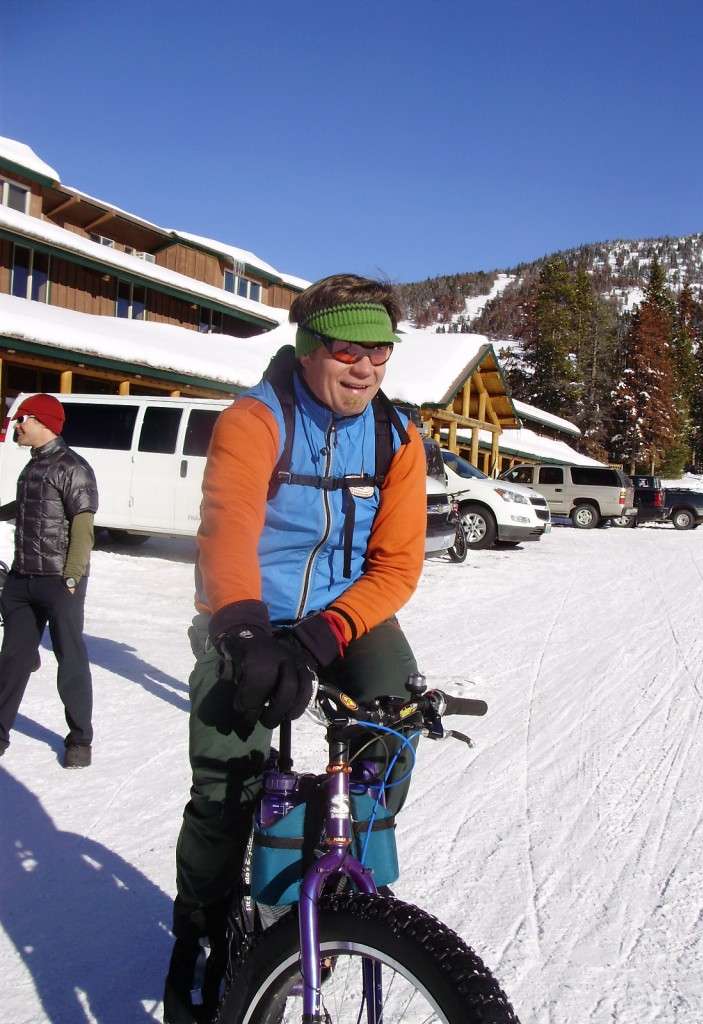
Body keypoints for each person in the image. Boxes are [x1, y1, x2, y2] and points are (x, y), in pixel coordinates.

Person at [163, 274, 427, 1024]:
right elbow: (227, 530)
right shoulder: (257, 419)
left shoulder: (398, 436)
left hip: (346, 617)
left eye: (380, 352)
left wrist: (321, 636)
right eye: (348, 349)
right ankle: (203, 925)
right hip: (246, 610)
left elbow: (398, 566)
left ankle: (330, 888)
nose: (366, 367)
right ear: (309, 348)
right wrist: (249, 634)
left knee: (395, 724)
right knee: (225, 782)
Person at [0, 393, 99, 768]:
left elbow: (83, 525)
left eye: (22, 418)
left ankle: (80, 738)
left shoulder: (73, 467)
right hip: (22, 578)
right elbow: (29, 507)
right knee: (12, 658)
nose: (17, 424)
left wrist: (72, 577)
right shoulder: (33, 466)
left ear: (43, 421)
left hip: (59, 581)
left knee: (69, 658)